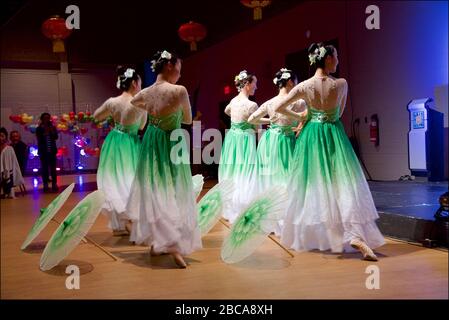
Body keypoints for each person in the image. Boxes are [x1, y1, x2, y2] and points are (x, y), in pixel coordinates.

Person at [272, 43, 385, 261]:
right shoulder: (341, 84)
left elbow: (279, 108)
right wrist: (320, 115)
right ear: (328, 59)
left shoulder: (304, 86)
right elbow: (338, 113)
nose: (338, 61)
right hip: (334, 133)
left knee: (314, 183)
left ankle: (327, 235)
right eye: (336, 57)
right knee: (343, 182)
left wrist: (303, 116)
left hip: (311, 137)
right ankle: (353, 233)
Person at [126, 50, 201, 268]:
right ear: (169, 66)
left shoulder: (146, 92)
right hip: (171, 140)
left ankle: (158, 242)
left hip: (151, 138)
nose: (180, 73)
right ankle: (172, 244)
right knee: (174, 189)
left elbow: (134, 103)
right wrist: (173, 114)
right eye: (179, 68)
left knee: (155, 187)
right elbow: (187, 119)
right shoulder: (179, 90)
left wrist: (154, 114)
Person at [248, 68, 306, 234]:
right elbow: (305, 116)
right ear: (289, 82)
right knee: (288, 177)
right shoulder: (298, 102)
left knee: (271, 177)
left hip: (270, 140)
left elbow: (252, 119)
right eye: (294, 82)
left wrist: (271, 120)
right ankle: (286, 217)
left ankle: (272, 216)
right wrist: (297, 124)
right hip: (286, 140)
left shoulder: (270, 102)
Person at [94, 66, 146, 236]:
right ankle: (130, 218)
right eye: (139, 82)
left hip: (115, 141)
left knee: (115, 179)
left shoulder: (112, 102)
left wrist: (112, 118)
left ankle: (121, 221)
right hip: (131, 142)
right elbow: (142, 126)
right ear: (133, 83)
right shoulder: (140, 103)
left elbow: (96, 116)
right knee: (132, 179)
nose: (140, 85)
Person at [218, 70, 259, 223]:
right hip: (245, 140)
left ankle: (231, 204)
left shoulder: (233, 101)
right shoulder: (252, 105)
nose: (256, 87)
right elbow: (255, 129)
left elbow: (226, 110)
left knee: (233, 169)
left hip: (231, 139)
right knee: (245, 170)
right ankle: (242, 204)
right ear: (247, 84)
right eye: (255, 83)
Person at [36, 112, 58, 192]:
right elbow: (39, 139)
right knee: (44, 169)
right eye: (44, 118)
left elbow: (56, 137)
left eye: (48, 118)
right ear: (42, 119)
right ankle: (45, 185)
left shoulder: (52, 127)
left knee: (53, 169)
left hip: (52, 151)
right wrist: (44, 134)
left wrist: (51, 131)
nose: (46, 119)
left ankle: (54, 184)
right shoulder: (39, 128)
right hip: (43, 151)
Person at [1, 127, 24, 198]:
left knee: (7, 171)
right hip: (5, 168)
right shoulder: (10, 146)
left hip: (14, 168)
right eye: (13, 137)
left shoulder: (10, 148)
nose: (15, 138)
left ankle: (8, 191)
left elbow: (16, 161)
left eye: (2, 136)